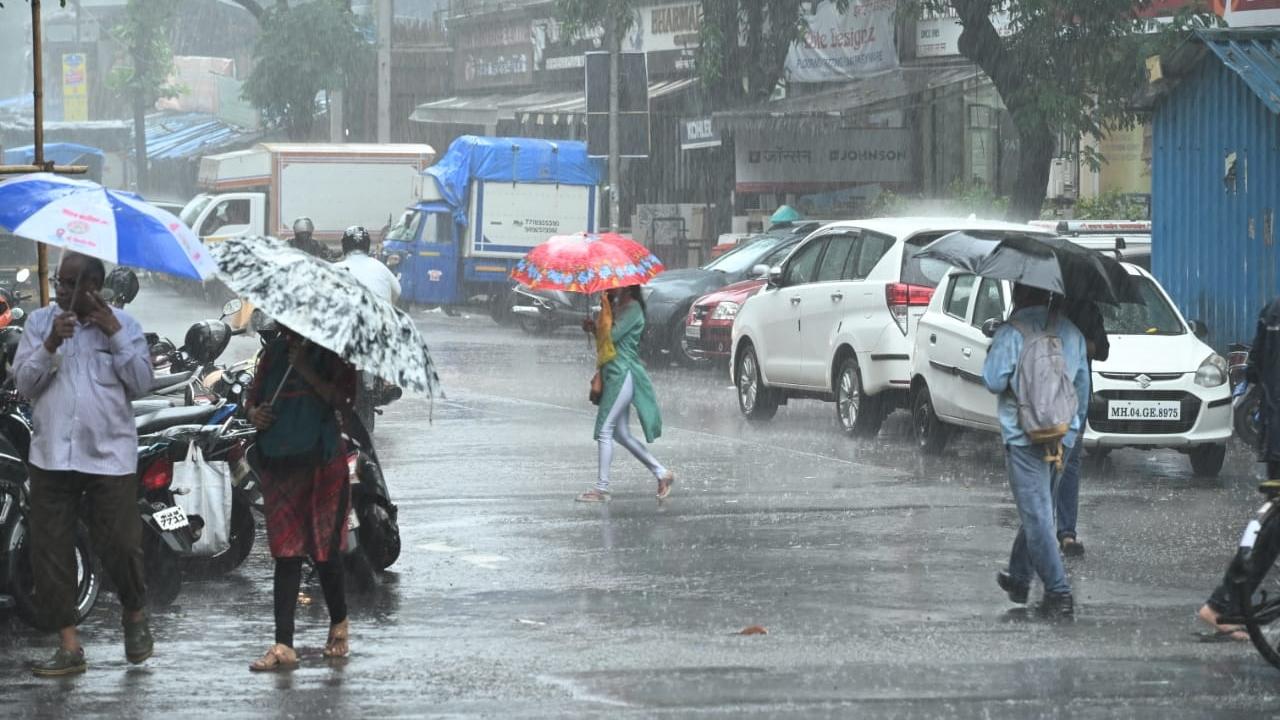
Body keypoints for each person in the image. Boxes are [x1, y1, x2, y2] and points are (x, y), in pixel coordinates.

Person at [14, 252, 155, 677]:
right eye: (60, 281)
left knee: (121, 543)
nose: (62, 290)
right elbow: (24, 385)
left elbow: (141, 382)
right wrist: (50, 344)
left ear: (93, 287)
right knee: (50, 550)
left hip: (109, 457)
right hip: (51, 456)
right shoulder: (40, 323)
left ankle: (134, 611)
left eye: (72, 283)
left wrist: (114, 334)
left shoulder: (125, 326)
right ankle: (69, 645)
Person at [246, 324, 358, 671]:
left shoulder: (335, 353)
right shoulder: (274, 354)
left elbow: (344, 401)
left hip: (322, 465)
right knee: (286, 553)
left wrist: (307, 370)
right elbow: (252, 400)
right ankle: (283, 644)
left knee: (325, 551)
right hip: (280, 464)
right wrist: (255, 414)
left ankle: (339, 623)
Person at [983, 283, 1089, 616]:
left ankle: (1059, 592)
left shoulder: (1011, 332)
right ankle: (1019, 577)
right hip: (1062, 436)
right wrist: (1070, 434)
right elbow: (1082, 389)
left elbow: (993, 381)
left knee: (1037, 515)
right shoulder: (1072, 332)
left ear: (1019, 293)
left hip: (1023, 437)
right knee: (1039, 509)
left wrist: (994, 351)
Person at [1198, 297, 1280, 640]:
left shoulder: (1273, 310)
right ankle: (1223, 602)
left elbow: (1255, 368)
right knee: (1273, 530)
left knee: (1273, 528)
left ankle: (1225, 602)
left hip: (1274, 435)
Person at [576, 285, 673, 503]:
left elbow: (611, 337)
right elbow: (606, 339)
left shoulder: (633, 309)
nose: (609, 287)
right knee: (620, 434)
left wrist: (602, 318)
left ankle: (601, 489)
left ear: (627, 286)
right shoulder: (618, 307)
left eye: (613, 284)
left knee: (604, 430)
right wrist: (594, 327)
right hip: (612, 374)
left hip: (622, 374)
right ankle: (662, 474)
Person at [1056, 298, 1110, 557]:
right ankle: (1036, 532)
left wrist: (1080, 344)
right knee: (1040, 464)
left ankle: (1067, 532)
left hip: (1076, 395)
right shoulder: (1040, 305)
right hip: (1041, 394)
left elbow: (1103, 350)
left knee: (1069, 461)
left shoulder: (1087, 308)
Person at [333, 225, 401, 305]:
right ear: (367, 245)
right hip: (380, 312)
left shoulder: (334, 269)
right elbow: (398, 291)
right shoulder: (380, 266)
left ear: (344, 245)